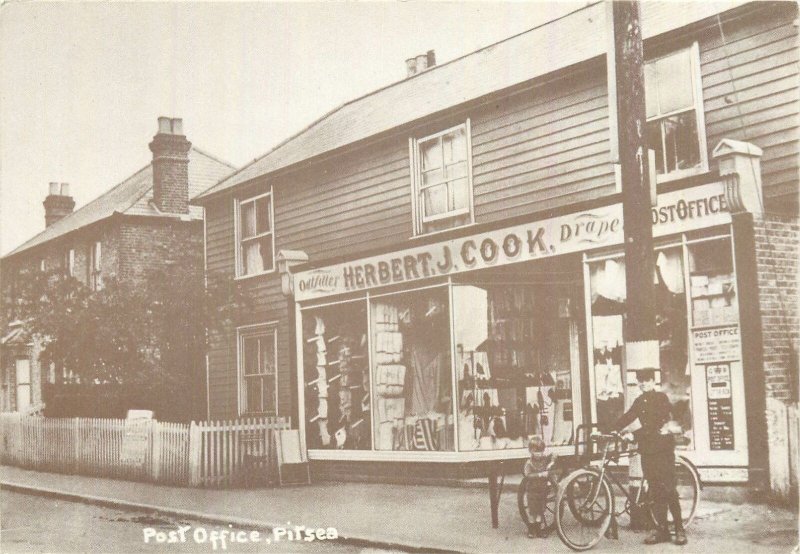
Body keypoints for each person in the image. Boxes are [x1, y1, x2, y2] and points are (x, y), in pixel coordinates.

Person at [615, 368, 687, 546]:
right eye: (640, 380)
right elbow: (629, 416)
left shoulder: (661, 398)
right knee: (655, 490)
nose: (643, 383)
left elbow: (656, 424)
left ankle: (679, 529)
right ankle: (661, 530)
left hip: (663, 450)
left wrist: (634, 435)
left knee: (669, 489)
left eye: (646, 380)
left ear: (653, 382)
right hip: (648, 451)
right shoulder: (639, 401)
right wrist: (611, 429)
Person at [523, 436, 556, 538]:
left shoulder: (544, 460)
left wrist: (553, 459)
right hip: (532, 491)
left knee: (540, 511)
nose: (539, 454)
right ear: (531, 451)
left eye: (541, 451)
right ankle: (532, 529)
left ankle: (539, 529)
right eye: (536, 452)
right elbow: (528, 475)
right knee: (533, 511)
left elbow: (552, 456)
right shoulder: (529, 463)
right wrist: (540, 475)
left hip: (542, 490)